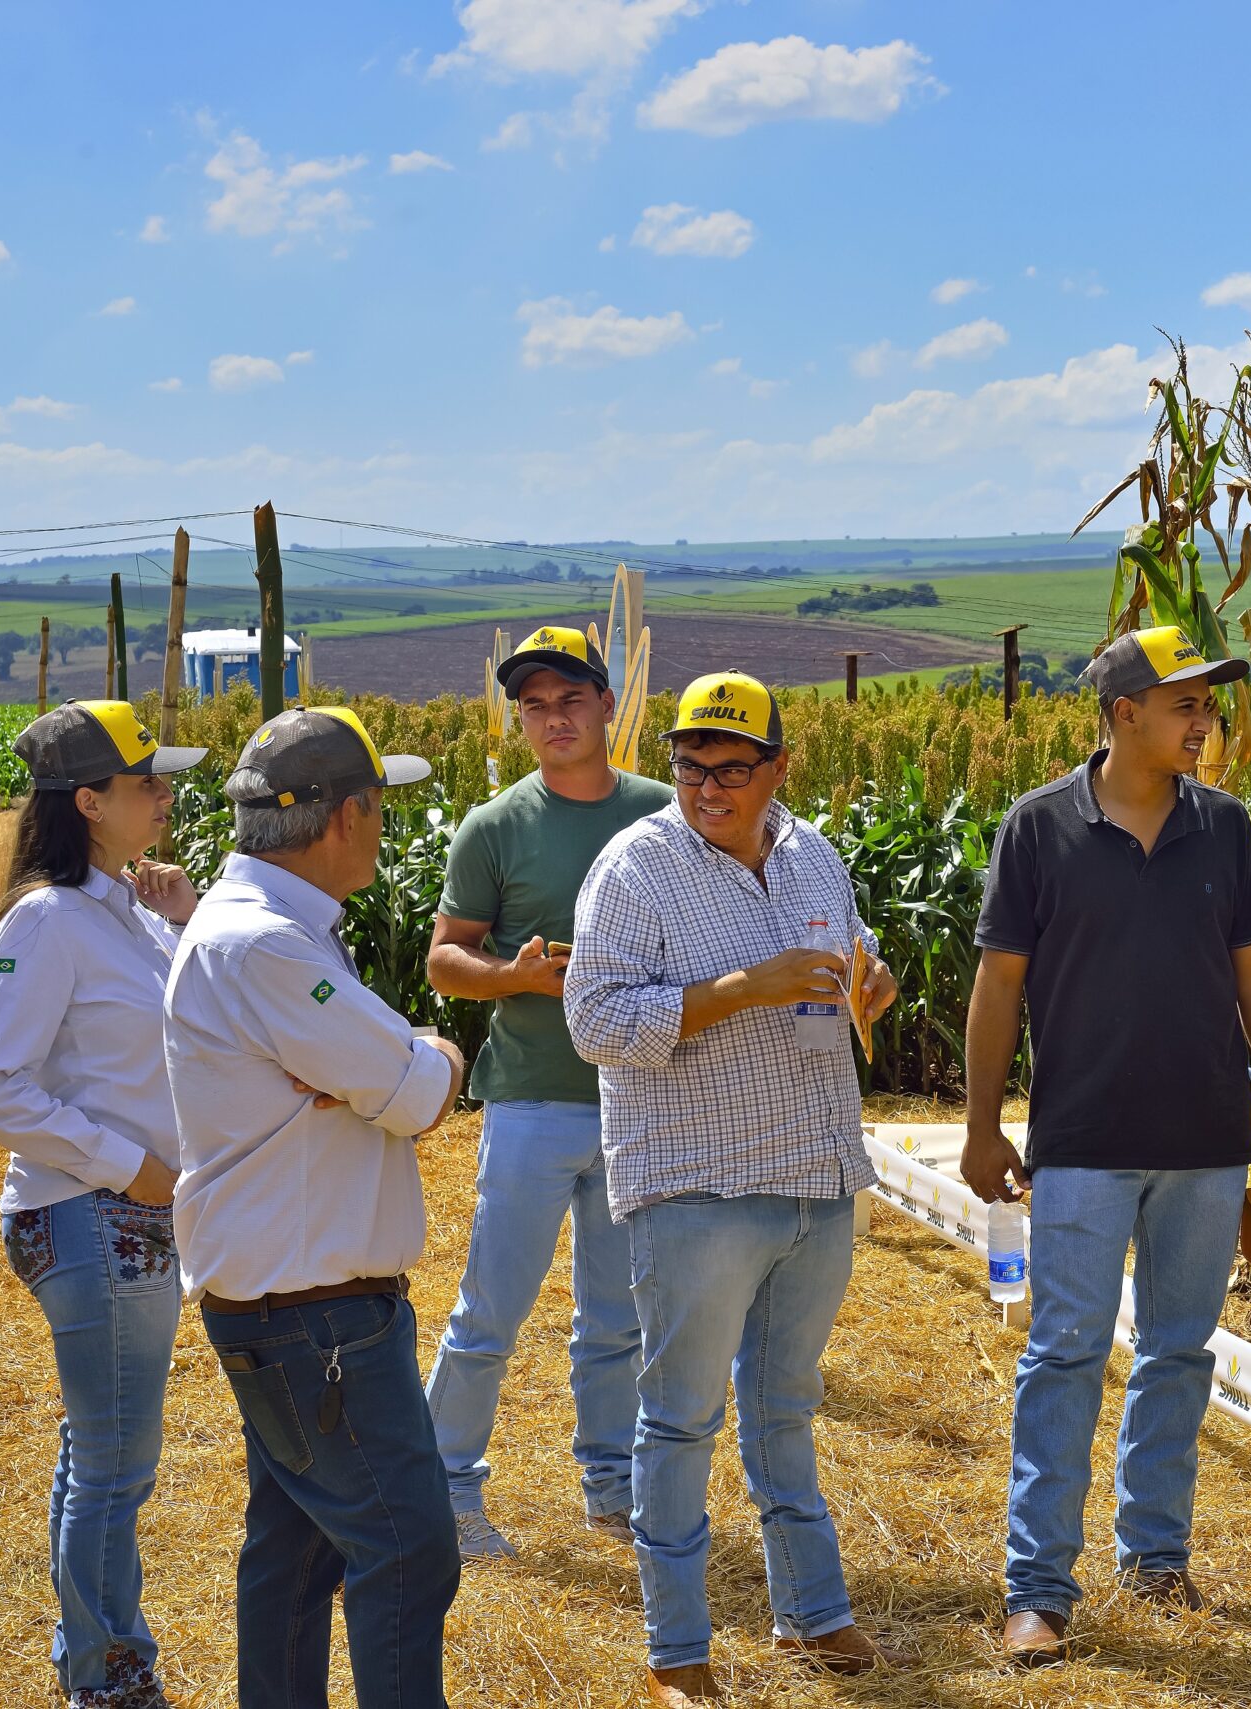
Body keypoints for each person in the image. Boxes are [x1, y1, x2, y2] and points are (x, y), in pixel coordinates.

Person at [957, 625, 1251, 1664]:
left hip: (1209, 1144)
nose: (1204, 719)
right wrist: (986, 1123)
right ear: (1124, 713)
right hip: (1079, 1144)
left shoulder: (1225, 826)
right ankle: (1037, 1586)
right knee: (1065, 1354)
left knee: (1177, 1353)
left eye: (1209, 702)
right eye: (1184, 703)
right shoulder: (1037, 827)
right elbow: (998, 983)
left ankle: (1155, 1556)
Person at [562, 671, 905, 1708]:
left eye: (731, 767)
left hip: (816, 1171)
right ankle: (676, 1649)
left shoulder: (810, 851)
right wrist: (741, 989)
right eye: (689, 765)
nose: (707, 786)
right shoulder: (635, 866)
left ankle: (811, 1611)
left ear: (778, 768)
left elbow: (848, 951)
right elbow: (596, 1022)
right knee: (678, 1421)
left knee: (786, 1406)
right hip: (697, 1183)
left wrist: (871, 976)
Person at [164, 707, 469, 1709]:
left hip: (289, 1309)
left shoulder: (262, 934)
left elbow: (388, 1078)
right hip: (316, 1317)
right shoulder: (267, 950)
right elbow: (420, 1093)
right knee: (407, 1543)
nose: (383, 826)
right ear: (344, 816)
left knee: (296, 1552)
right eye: (380, 806)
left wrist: (392, 1064)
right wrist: (430, 1056)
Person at [0, 699, 208, 1709]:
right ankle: (110, 1677)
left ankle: (93, 1660)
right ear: (92, 802)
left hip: (127, 1217)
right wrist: (124, 1163)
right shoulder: (47, 919)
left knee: (98, 1454)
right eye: (148, 782)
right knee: (115, 1467)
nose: (166, 794)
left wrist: (188, 918)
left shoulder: (132, 913)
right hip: (90, 1212)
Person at [421, 628, 672, 1558]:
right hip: (530, 1097)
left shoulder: (662, 816)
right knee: (490, 1310)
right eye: (533, 704)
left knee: (618, 1316)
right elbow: (448, 960)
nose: (553, 718)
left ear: (609, 706)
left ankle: (612, 1491)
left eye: (570, 699)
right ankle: (445, 1486)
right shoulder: (495, 825)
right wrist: (516, 978)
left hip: (639, 1101)